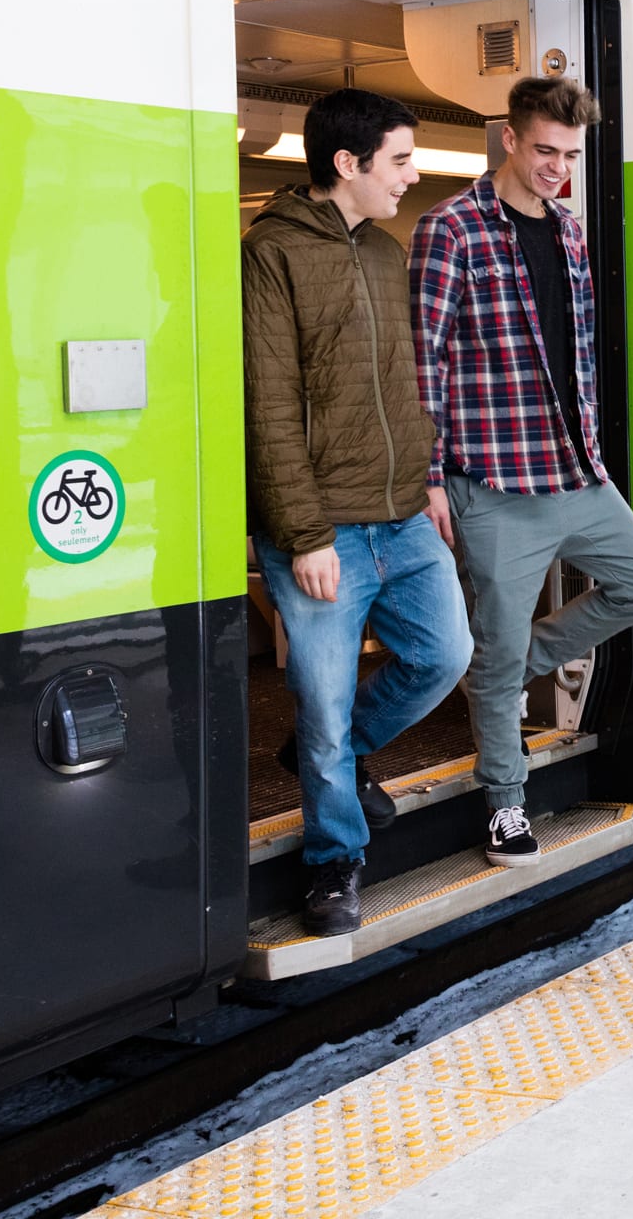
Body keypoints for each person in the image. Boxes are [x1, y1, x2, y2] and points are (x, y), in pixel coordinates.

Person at [410, 77, 633, 869]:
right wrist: (429, 478)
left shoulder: (567, 230)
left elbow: (577, 351)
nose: (558, 168)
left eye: (571, 155)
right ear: (510, 141)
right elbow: (422, 362)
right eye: (546, 151)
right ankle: (505, 805)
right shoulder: (449, 230)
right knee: (496, 648)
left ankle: (508, 665)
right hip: (494, 482)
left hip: (574, 470)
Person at [242, 88, 473, 935]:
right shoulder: (270, 253)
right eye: (402, 161)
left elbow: (403, 381)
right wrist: (302, 533)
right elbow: (267, 403)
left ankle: (329, 756)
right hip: (323, 526)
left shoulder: (384, 251)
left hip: (402, 512)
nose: (412, 177)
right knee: (324, 703)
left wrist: (429, 477)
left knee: (444, 654)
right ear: (349, 163)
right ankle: (333, 863)